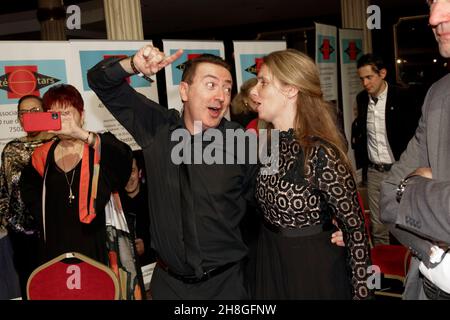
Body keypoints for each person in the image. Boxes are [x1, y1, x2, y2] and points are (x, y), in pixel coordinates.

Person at [87, 45, 345, 300]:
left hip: (228, 286)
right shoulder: (155, 128)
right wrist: (132, 64)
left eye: (227, 88)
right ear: (185, 91)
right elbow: (99, 80)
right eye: (211, 85)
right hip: (169, 286)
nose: (221, 96)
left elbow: (279, 198)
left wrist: (328, 224)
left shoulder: (244, 143)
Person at [250, 49, 372, 299]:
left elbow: (355, 230)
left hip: (313, 271)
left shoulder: (322, 154)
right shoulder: (268, 146)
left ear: (291, 89)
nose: (254, 91)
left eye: (263, 82)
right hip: (270, 263)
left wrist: (361, 293)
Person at [20, 84, 141, 300]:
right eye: (56, 114)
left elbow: (124, 159)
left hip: (98, 247)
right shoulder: (41, 156)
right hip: (57, 250)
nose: (63, 119)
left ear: (82, 115)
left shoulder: (98, 146)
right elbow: (29, 193)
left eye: (67, 113)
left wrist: (82, 135)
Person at [380, 0, 450, 300]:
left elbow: (400, 191)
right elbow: (386, 196)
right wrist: (434, 252)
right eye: (432, 2)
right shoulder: (437, 94)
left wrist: (411, 187)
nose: (433, 18)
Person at [351, 54, 421, 246]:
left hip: (401, 170)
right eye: (361, 79)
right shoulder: (361, 99)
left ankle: (409, 270)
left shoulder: (403, 97)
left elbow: (417, 135)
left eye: (369, 77)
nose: (365, 83)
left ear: (382, 74)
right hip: (375, 172)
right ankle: (384, 272)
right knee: (378, 226)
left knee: (405, 222)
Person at [0, 95, 53, 299]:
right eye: (23, 113)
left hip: (54, 232)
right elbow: (4, 190)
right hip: (21, 236)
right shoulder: (11, 149)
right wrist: (9, 222)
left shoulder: (59, 144)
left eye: (34, 111)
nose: (28, 116)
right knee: (30, 287)